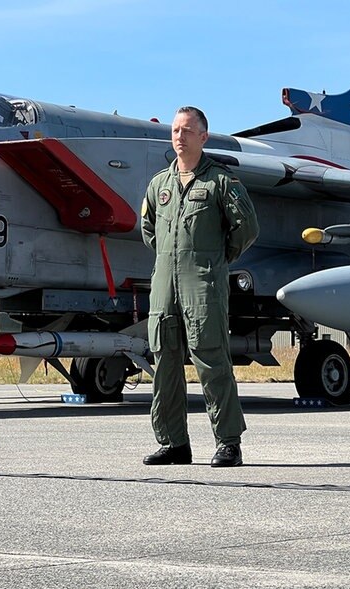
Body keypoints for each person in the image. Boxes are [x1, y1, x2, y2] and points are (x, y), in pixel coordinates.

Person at [140, 106, 259, 468]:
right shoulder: (159, 184)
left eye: (188, 131)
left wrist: (215, 259)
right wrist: (170, 259)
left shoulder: (219, 182)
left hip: (202, 284)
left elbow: (247, 228)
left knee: (210, 359)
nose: (180, 136)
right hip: (164, 284)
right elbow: (148, 230)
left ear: (203, 137)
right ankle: (174, 442)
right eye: (176, 130)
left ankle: (228, 442)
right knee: (165, 362)